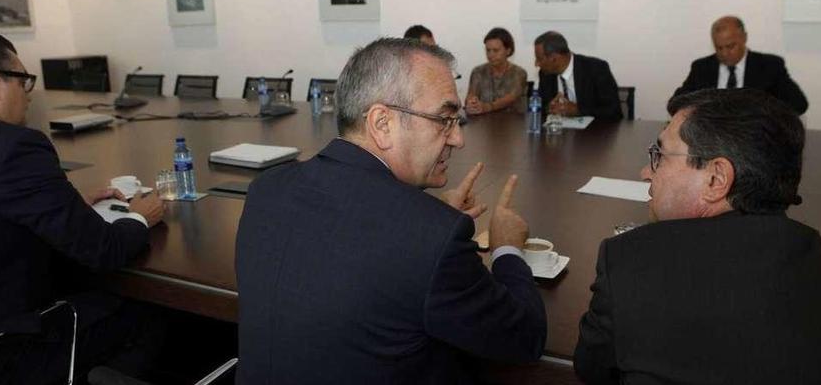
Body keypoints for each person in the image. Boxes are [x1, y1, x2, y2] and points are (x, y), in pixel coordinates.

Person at [237, 38, 546, 384]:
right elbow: (524, 338)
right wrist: (507, 247)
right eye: (444, 119)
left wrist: (427, 213)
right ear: (382, 123)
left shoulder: (266, 190)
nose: (458, 139)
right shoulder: (432, 238)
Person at [573, 88, 821, 385]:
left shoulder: (630, 263)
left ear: (716, 179)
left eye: (659, 156)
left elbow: (592, 369)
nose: (645, 173)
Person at [0, 33, 166, 384]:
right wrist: (138, 217)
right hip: (12, 352)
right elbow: (103, 249)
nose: (28, 95)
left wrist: (65, 204)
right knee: (153, 313)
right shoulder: (16, 149)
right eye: (23, 81)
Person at [673, 16, 809, 114]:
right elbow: (675, 103)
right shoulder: (702, 68)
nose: (725, 53)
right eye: (719, 48)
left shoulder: (770, 66)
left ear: (744, 38)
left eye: (730, 46)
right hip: (711, 140)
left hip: (755, 139)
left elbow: (799, 104)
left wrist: (763, 118)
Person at [534, 31, 622, 120]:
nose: (536, 64)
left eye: (539, 59)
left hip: (593, 132)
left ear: (554, 58)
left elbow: (614, 111)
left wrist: (578, 111)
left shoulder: (596, 69)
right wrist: (549, 108)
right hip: (558, 132)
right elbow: (540, 109)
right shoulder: (545, 74)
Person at [465, 27, 527, 115]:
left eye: (496, 50)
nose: (491, 55)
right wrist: (471, 103)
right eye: (488, 50)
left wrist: (487, 107)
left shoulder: (519, 73)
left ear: (508, 51)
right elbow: (471, 95)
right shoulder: (478, 72)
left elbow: (511, 98)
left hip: (512, 123)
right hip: (483, 124)